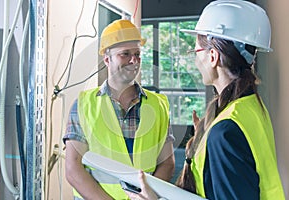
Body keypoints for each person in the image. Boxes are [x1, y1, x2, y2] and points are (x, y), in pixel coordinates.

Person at [125, 1, 285, 200]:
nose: (195, 60)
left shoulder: (225, 131)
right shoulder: (250, 106)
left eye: (196, 52)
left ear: (212, 56)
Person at [63, 19, 175, 200]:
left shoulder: (158, 105)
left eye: (137, 54)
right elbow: (73, 169)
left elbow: (167, 163)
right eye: (125, 54)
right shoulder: (84, 105)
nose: (134, 60)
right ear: (107, 59)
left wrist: (147, 197)